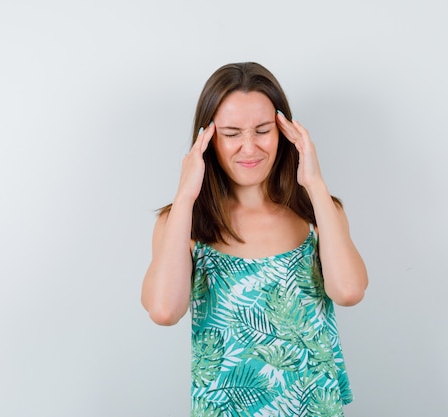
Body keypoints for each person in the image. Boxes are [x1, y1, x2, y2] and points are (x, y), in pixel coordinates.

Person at [141, 62, 368, 416]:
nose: (249, 148)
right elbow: (165, 311)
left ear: (286, 132)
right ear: (207, 139)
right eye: (231, 133)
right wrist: (185, 195)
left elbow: (350, 291)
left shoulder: (317, 213)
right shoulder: (183, 224)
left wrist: (316, 184)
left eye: (262, 130)